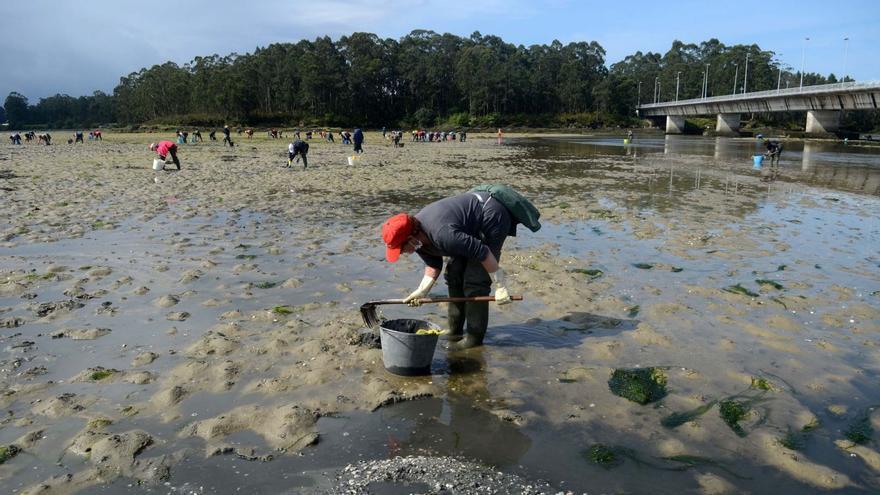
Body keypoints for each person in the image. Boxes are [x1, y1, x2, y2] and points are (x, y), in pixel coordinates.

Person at [381, 189, 536, 350]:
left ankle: (474, 338)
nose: (402, 253)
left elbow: (482, 252)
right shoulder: (419, 241)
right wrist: (421, 291)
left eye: (401, 248)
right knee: (454, 274)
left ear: (411, 238)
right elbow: (434, 265)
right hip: (462, 227)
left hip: (490, 215)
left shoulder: (442, 234)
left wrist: (500, 285)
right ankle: (455, 330)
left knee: (475, 281)